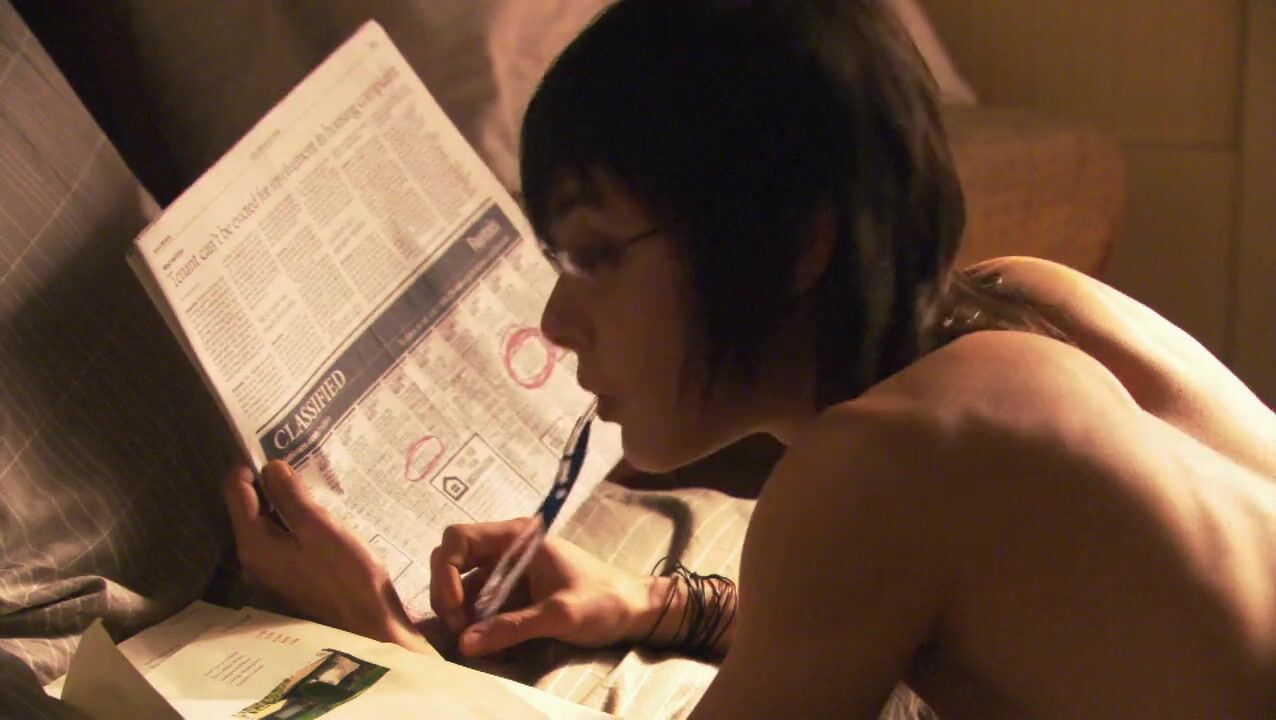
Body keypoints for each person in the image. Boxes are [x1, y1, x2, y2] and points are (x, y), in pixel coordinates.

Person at [223, 1, 1276, 716]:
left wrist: (374, 636)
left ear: (789, 242)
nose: (555, 319)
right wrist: (658, 601)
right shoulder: (1035, 300)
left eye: (597, 257)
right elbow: (923, 608)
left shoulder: (878, 463)